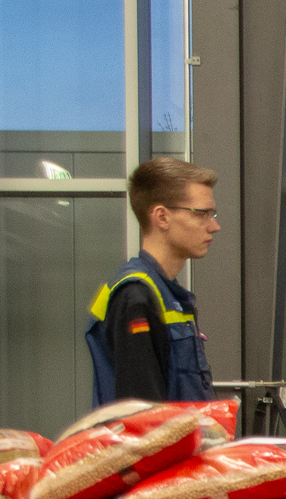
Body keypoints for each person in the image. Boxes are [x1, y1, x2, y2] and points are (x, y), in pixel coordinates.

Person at [86, 157, 221, 405]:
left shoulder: (167, 294)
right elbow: (142, 417)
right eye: (202, 214)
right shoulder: (135, 296)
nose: (214, 226)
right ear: (162, 217)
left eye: (212, 214)